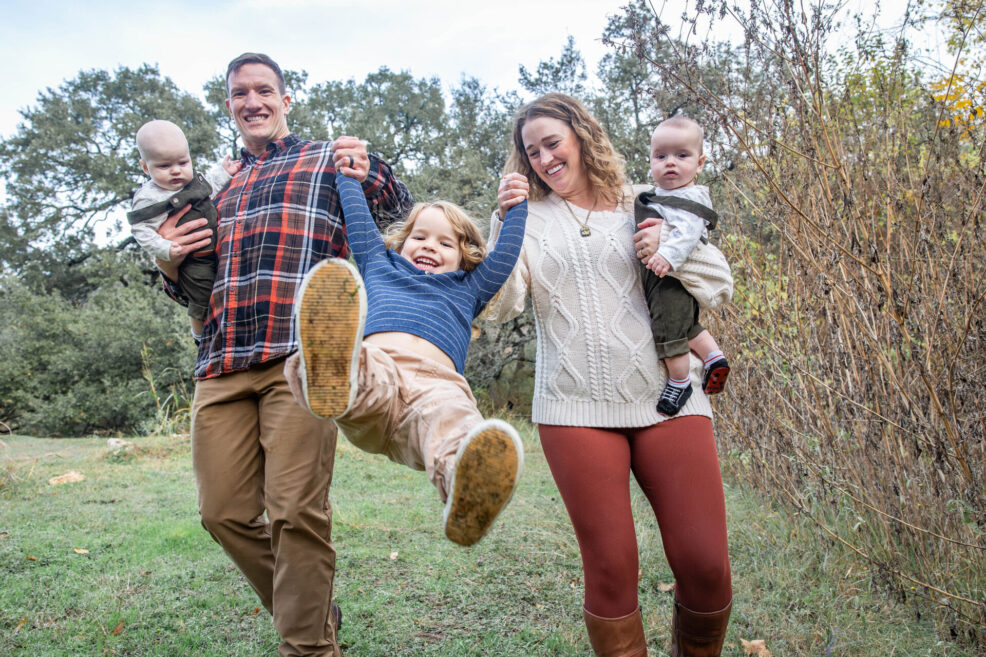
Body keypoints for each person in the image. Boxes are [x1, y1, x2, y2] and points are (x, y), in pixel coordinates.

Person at [156, 53, 413, 657]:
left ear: (285, 99)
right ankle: (315, 608)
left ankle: (310, 647)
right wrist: (168, 261)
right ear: (229, 106)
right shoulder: (213, 186)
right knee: (222, 512)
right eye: (240, 93)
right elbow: (191, 279)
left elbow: (396, 207)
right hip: (220, 358)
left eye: (264, 89)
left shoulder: (323, 157)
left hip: (302, 359)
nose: (253, 101)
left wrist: (368, 164)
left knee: (296, 509)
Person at [487, 93, 732, 656]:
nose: (545, 158)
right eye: (533, 151)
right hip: (573, 409)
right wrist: (502, 225)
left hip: (669, 399)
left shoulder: (643, 201)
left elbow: (717, 283)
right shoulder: (524, 219)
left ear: (580, 136)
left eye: (553, 143)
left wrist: (667, 247)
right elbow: (500, 306)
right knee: (611, 570)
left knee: (706, 565)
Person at [284, 172, 528, 547]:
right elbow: (357, 216)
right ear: (400, 243)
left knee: (454, 422)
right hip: (380, 374)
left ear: (466, 256)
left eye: (446, 243)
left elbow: (507, 252)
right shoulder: (379, 264)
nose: (430, 246)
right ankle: (330, 375)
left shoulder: (470, 287)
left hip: (435, 388)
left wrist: (517, 207)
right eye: (420, 236)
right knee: (361, 365)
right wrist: (348, 174)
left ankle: (465, 492)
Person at [634, 116, 731, 416]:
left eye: (682, 155)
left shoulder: (688, 197)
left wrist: (668, 256)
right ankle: (713, 356)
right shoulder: (661, 193)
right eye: (660, 156)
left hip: (670, 277)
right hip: (668, 278)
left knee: (670, 332)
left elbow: (688, 234)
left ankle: (679, 382)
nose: (670, 163)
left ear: (700, 163)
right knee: (687, 325)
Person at [128, 119, 240, 337]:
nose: (176, 171)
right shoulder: (149, 198)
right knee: (202, 297)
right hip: (192, 259)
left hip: (217, 251)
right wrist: (164, 248)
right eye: (164, 166)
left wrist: (225, 172)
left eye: (182, 163)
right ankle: (200, 336)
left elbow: (212, 186)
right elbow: (141, 230)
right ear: (145, 167)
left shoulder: (193, 181)